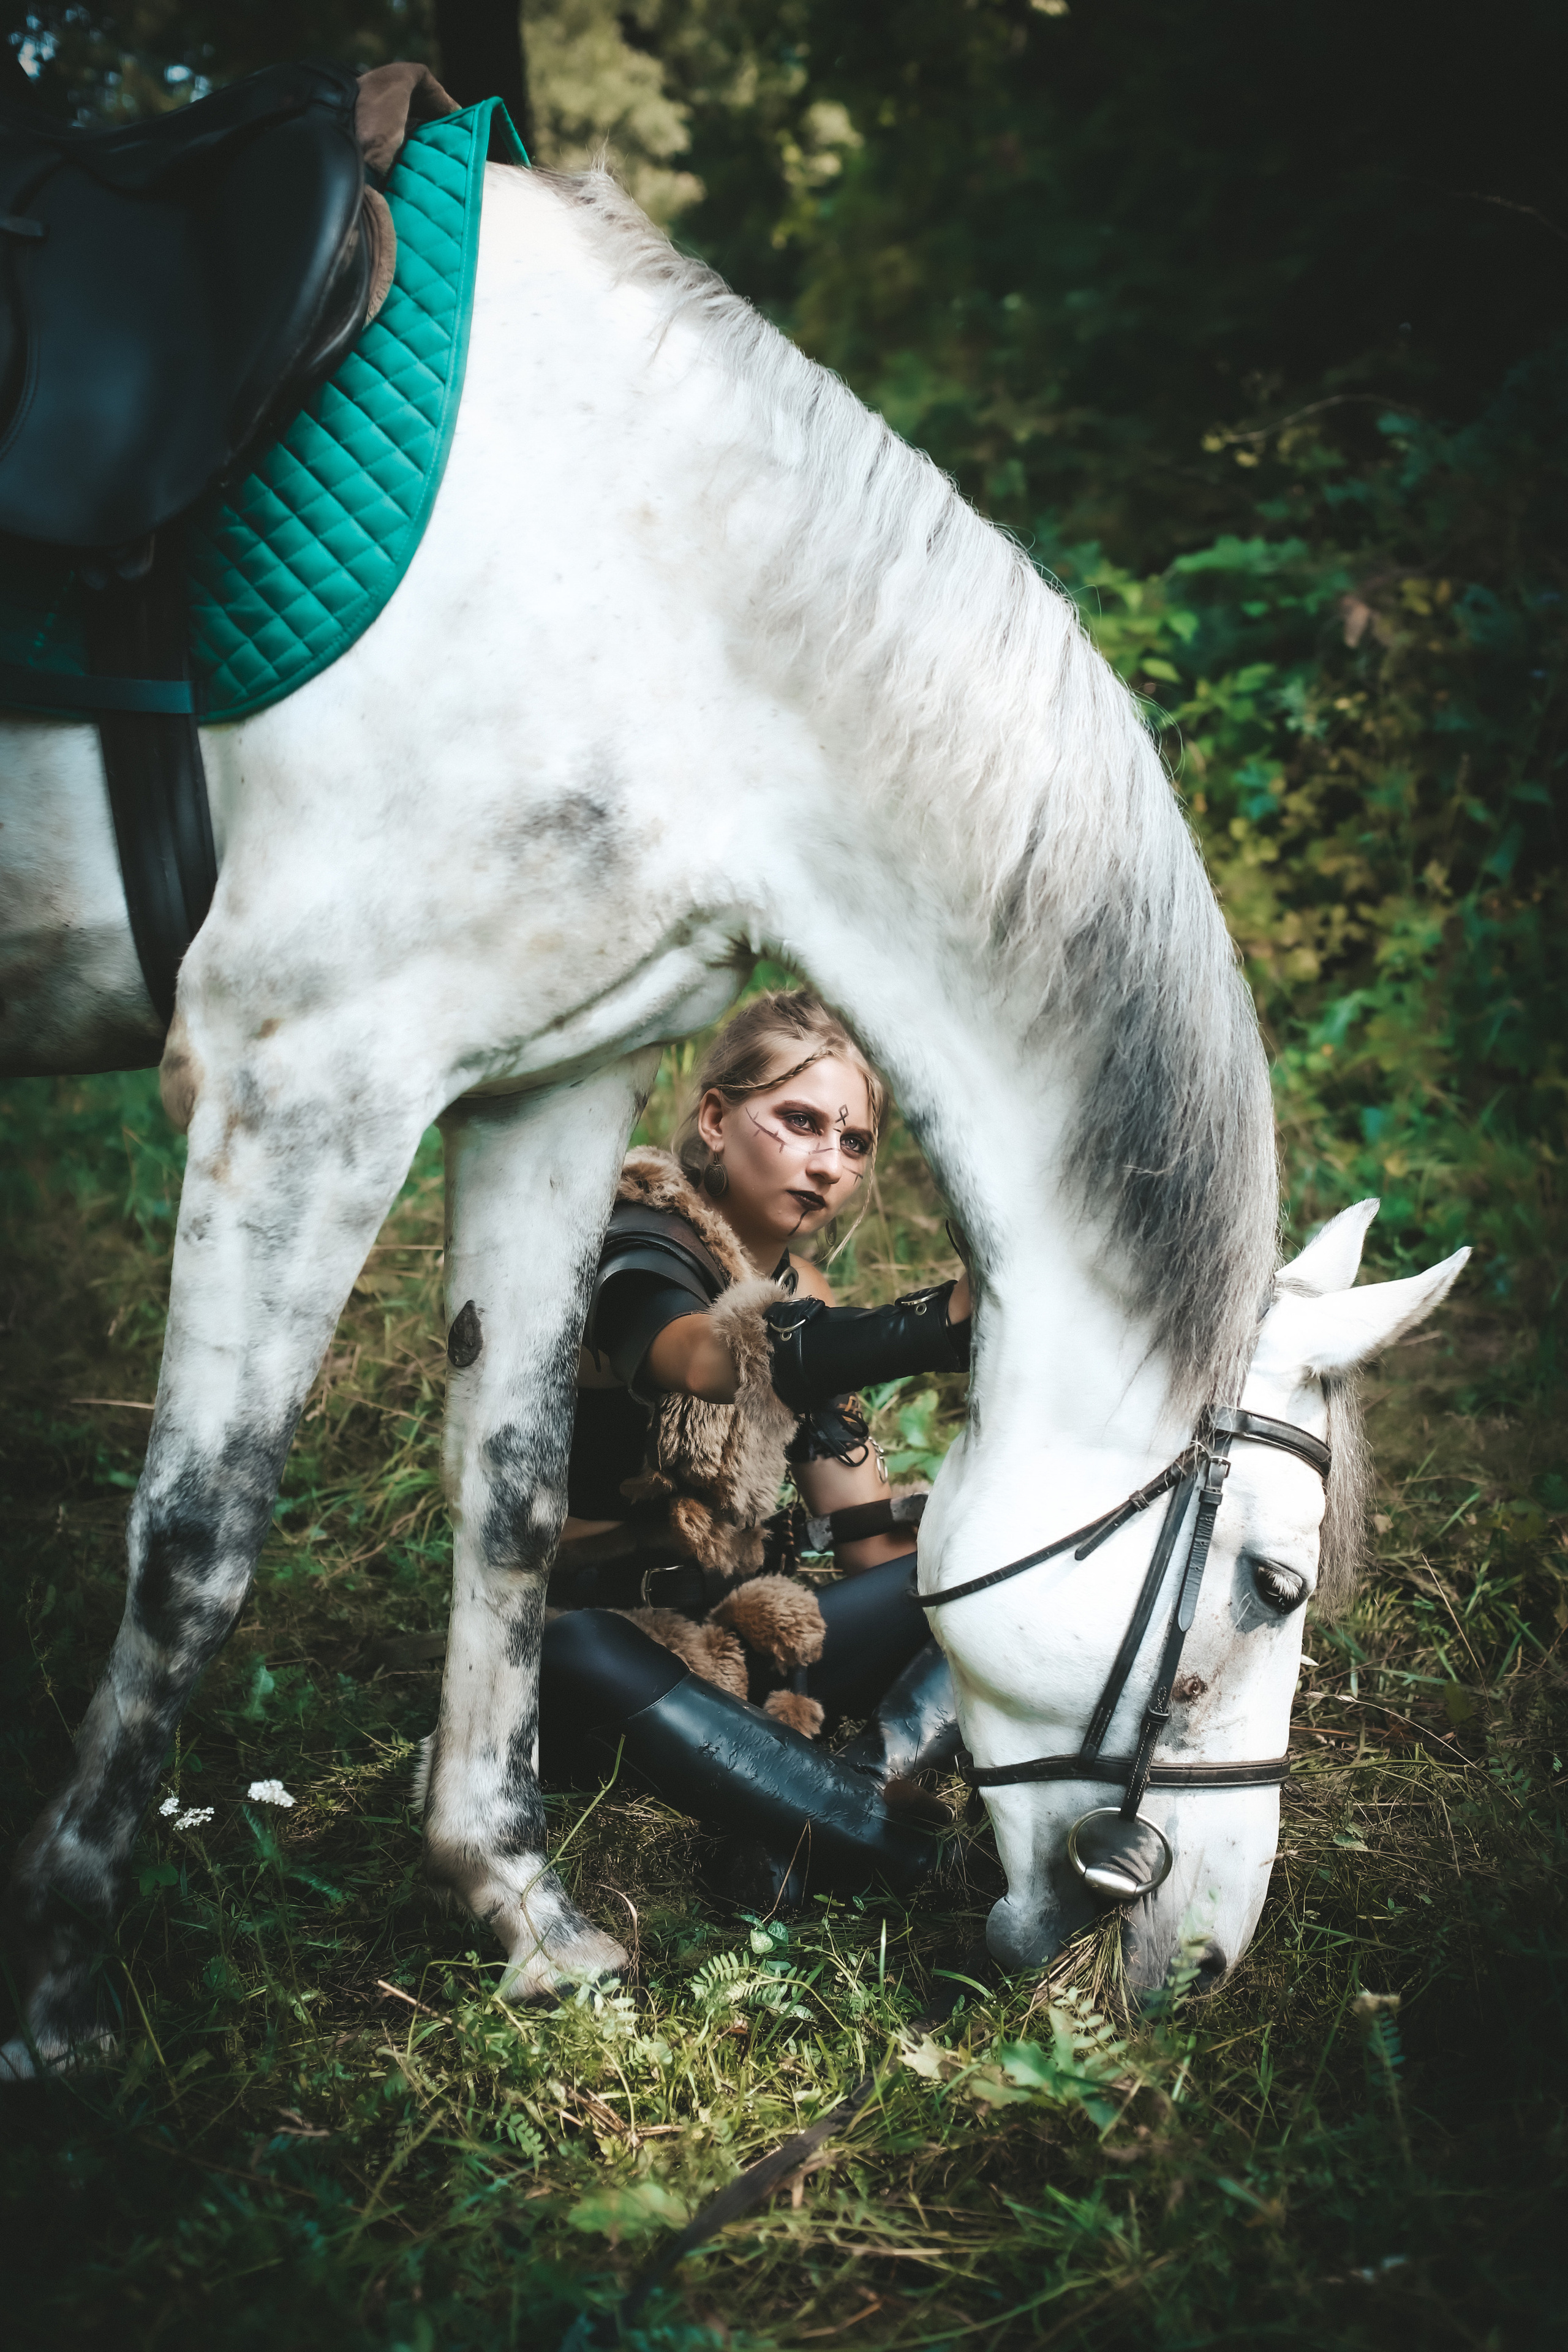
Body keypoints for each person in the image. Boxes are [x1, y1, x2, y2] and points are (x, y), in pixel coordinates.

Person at [538, 988, 971, 1906]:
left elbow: (868, 1544)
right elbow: (700, 1358)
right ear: (715, 1117)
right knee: (574, 1649)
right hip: (609, 1661)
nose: (827, 1163)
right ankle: (893, 1851)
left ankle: (815, 1810)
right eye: (799, 1121)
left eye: (853, 1144)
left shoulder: (801, 1283)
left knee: (974, 1570)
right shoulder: (634, 1239)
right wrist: (935, 1324)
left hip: (750, 1642)